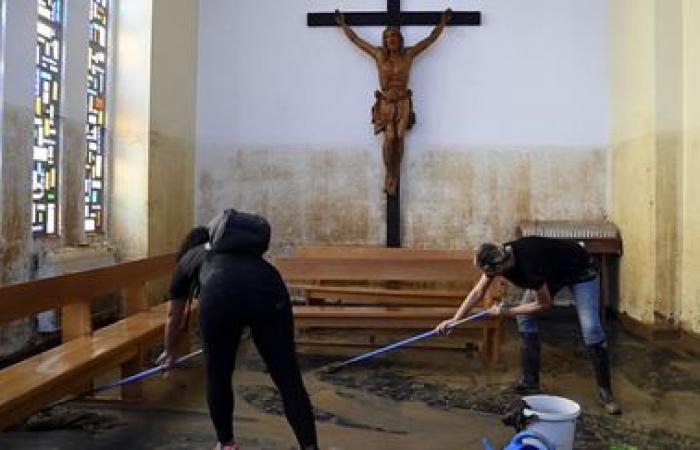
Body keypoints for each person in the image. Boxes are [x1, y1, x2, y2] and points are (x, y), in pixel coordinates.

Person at [157, 209, 319, 450]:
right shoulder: (255, 261)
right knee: (288, 378)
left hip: (219, 294)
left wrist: (170, 351)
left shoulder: (187, 260)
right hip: (269, 288)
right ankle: (310, 447)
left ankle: (227, 444)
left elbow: (174, 315)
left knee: (219, 374)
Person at [435, 236, 622, 415]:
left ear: (499, 266)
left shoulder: (529, 265)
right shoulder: (500, 255)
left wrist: (505, 311)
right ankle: (530, 381)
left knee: (591, 329)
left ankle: (606, 393)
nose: (487, 277)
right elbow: (477, 292)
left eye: (489, 273)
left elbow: (544, 305)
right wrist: (455, 320)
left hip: (582, 272)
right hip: (552, 273)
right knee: (525, 318)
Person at [335, 8, 453, 195]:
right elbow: (356, 41)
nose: (390, 39)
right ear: (384, 40)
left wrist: (443, 23)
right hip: (386, 102)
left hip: (403, 101)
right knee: (390, 137)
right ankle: (389, 173)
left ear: (400, 40)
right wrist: (343, 25)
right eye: (387, 36)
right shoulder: (379, 55)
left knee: (400, 136)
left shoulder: (408, 55)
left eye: (394, 36)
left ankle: (395, 172)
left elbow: (429, 40)